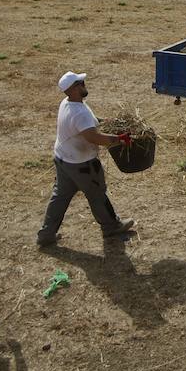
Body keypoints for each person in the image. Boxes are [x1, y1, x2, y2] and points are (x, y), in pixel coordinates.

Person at [37, 72, 137, 247]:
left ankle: (46, 234)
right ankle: (111, 226)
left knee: (60, 197)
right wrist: (119, 139)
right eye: (81, 82)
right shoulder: (79, 113)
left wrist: (106, 122)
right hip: (82, 165)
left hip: (63, 159)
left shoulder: (68, 103)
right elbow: (92, 137)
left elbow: (89, 123)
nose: (84, 84)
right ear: (74, 88)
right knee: (97, 194)